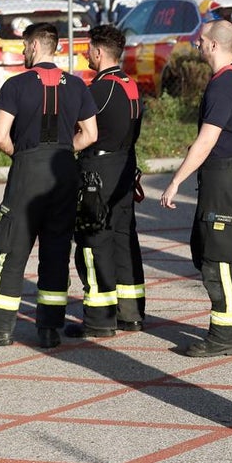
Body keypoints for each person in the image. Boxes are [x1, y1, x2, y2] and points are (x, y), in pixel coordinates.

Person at [0, 22, 98, 348]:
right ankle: (49, 330)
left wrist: (22, 155)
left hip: (27, 172)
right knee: (55, 252)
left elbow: (0, 136)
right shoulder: (77, 86)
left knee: (12, 249)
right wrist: (64, 153)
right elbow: (91, 134)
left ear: (35, 46)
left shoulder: (16, 84)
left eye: (25, 47)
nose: (23, 52)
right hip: (64, 173)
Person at [160, 19, 232, 357]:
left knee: (218, 259)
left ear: (212, 44)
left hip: (225, 177)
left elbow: (207, 139)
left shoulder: (224, 85)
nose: (197, 46)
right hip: (228, 175)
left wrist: (176, 180)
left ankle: (225, 335)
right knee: (205, 248)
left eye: (200, 41)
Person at [67, 24, 146, 338]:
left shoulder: (100, 88)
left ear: (98, 53)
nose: (87, 54)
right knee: (123, 240)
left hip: (98, 171)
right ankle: (131, 313)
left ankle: (99, 319)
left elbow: (82, 130)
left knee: (93, 240)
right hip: (125, 168)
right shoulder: (130, 84)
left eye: (89, 49)